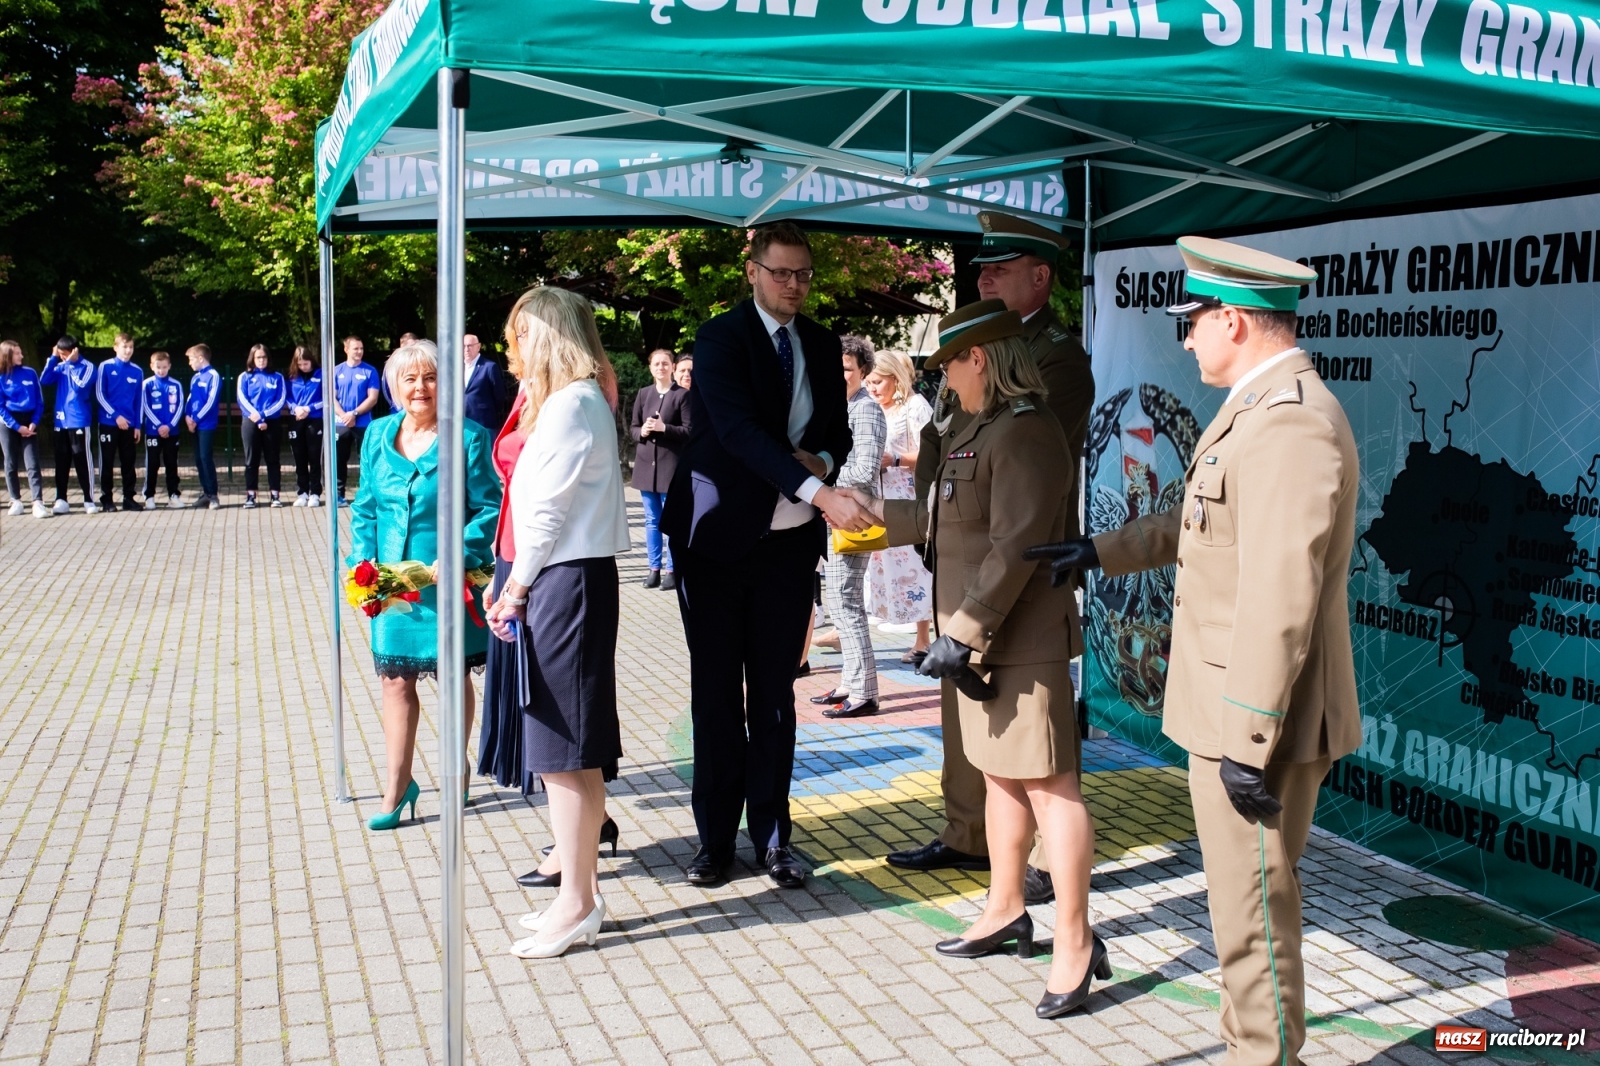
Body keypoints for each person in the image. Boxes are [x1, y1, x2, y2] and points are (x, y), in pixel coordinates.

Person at [1027, 237, 1360, 1061]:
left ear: (1236, 320)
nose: (1185, 339)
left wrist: (1248, 739)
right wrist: (1098, 551)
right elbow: (1199, 526)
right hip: (1235, 713)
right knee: (1238, 911)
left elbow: (1282, 591)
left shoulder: (1288, 423)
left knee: (1251, 922)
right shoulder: (1257, 407)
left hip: (1254, 723)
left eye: (1194, 320)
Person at [872, 300, 1099, 1019]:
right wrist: (864, 511)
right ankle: (1005, 909)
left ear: (981, 359)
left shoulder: (1027, 432)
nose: (944, 382)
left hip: (1019, 640)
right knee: (1002, 780)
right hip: (981, 638)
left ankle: (1075, 939)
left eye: (951, 366)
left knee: (1051, 788)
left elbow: (1018, 546)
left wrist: (963, 630)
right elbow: (948, 521)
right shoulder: (979, 429)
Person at [659, 221, 875, 890]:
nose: (794, 285)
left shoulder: (817, 341)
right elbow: (739, 431)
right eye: (781, 273)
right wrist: (821, 489)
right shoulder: (721, 336)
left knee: (776, 696)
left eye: (804, 274)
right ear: (752, 271)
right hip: (716, 541)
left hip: (787, 546)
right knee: (718, 693)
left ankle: (775, 839)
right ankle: (715, 843)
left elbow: (836, 430)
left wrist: (827, 461)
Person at [888, 211, 1095, 907]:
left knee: (1030, 748)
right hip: (961, 552)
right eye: (981, 269)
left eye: (1000, 269)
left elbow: (1015, 463)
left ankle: (1038, 868)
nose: (984, 277)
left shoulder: (1053, 361)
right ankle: (968, 833)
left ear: (1041, 277)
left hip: (1015, 571)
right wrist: (918, 524)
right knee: (966, 723)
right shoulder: (971, 345)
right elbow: (944, 448)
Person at [481, 288, 630, 959]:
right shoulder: (573, 401)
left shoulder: (572, 404)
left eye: (517, 336)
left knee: (562, 752)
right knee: (571, 750)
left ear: (544, 336)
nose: (509, 350)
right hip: (565, 579)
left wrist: (514, 590)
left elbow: (544, 515)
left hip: (561, 580)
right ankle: (579, 893)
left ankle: (575, 901)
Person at [347, 340, 501, 830]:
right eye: (410, 379)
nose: (420, 387)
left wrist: (457, 551)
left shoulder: (470, 438)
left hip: (449, 583)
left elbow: (490, 508)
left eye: (430, 377)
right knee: (394, 683)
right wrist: (361, 564)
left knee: (452, 680)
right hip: (392, 587)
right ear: (394, 387)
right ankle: (397, 786)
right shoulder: (376, 436)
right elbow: (366, 506)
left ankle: (456, 778)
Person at [810, 335, 887, 719]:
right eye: (834, 368)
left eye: (846, 369)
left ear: (863, 372)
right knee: (840, 602)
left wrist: (823, 485)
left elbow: (865, 469)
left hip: (855, 516)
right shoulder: (836, 407)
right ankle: (849, 684)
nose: (839, 376)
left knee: (846, 601)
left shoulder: (866, 410)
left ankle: (865, 692)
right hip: (836, 514)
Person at [863, 349, 933, 661]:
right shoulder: (873, 409)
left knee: (918, 567)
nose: (873, 388)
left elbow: (933, 454)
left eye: (878, 381)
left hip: (909, 499)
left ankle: (924, 639)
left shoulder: (915, 407)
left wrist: (893, 460)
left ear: (896, 378)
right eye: (868, 382)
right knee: (881, 568)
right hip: (879, 500)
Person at [629, 348, 691, 590]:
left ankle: (672, 570)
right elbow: (633, 428)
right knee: (651, 520)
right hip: (646, 468)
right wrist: (642, 432)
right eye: (657, 364)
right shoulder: (643, 394)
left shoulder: (682, 396)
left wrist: (665, 428)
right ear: (651, 368)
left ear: (672, 367)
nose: (661, 368)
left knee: (670, 521)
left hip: (670, 468)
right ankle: (653, 568)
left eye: (665, 364)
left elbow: (689, 431)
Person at [40, 336, 98, 514]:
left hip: (79, 419)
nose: (63, 358)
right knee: (61, 460)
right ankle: (61, 498)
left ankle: (89, 499)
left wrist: (70, 364)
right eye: (61, 355)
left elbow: (80, 387)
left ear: (74, 351)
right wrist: (52, 359)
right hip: (61, 420)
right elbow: (44, 379)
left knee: (82, 458)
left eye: (65, 354)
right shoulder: (60, 365)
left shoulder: (88, 367)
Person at [95, 332, 144, 512]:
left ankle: (128, 498)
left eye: (131, 347)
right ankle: (107, 499)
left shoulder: (137, 371)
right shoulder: (105, 367)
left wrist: (137, 425)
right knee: (107, 462)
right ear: (116, 348)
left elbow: (139, 400)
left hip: (130, 425)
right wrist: (116, 416)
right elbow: (100, 394)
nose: (128, 350)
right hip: (109, 422)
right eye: (124, 347)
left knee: (129, 463)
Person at [0, 340, 48, 518]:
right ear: (7, 355)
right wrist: (16, 427)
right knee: (10, 462)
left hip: (29, 422)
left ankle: (38, 502)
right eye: (17, 353)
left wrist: (34, 422)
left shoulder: (30, 373)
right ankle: (15, 500)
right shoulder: (1, 376)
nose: (21, 355)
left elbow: (39, 402)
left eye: (21, 352)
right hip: (8, 423)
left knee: (32, 462)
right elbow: (0, 406)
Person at [237, 344, 287, 509]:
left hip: (272, 422)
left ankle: (275, 495)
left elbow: (280, 400)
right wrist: (257, 418)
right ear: (252, 358)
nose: (261, 360)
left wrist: (264, 415)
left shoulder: (277, 377)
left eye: (264, 357)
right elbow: (242, 399)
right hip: (250, 422)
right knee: (251, 460)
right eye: (258, 357)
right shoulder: (244, 377)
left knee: (273, 460)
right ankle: (251, 496)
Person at [333, 336, 381, 505]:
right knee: (338, 460)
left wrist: (353, 413)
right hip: (341, 424)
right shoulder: (336, 371)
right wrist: (344, 416)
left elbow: (373, 398)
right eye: (356, 348)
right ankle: (339, 495)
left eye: (361, 348)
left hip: (363, 424)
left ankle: (366, 495)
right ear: (346, 349)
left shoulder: (370, 371)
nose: (359, 351)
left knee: (366, 460)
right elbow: (332, 398)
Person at [140, 351, 184, 509]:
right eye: (158, 367)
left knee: (172, 464)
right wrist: (159, 425)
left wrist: (169, 426)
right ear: (152, 366)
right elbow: (145, 406)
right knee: (152, 464)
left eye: (164, 367)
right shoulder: (147, 384)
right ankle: (149, 496)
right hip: (153, 431)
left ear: (169, 366)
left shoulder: (176, 384)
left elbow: (179, 407)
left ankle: (173, 495)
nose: (161, 370)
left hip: (172, 432)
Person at [184, 344, 222, 509]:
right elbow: (190, 399)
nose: (189, 363)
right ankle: (206, 493)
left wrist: (196, 419)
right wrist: (187, 416)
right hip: (194, 424)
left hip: (206, 424)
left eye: (191, 359)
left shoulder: (213, 375)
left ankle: (213, 495)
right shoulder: (195, 377)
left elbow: (211, 402)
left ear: (200, 358)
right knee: (199, 459)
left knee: (206, 458)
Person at [286, 346, 324, 506]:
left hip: (315, 419)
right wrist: (296, 409)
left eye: (306, 364)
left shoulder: (322, 374)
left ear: (311, 361)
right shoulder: (291, 377)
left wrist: (309, 408)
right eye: (300, 364)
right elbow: (286, 398)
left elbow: (327, 398)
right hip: (296, 419)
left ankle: (315, 493)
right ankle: (302, 492)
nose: (303, 367)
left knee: (314, 457)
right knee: (299, 457)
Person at [463, 334, 509, 431]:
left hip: (484, 424)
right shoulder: (458, 368)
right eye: (464, 346)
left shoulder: (489, 367)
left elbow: (499, 396)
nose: (466, 349)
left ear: (478, 347)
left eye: (470, 345)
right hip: (464, 424)